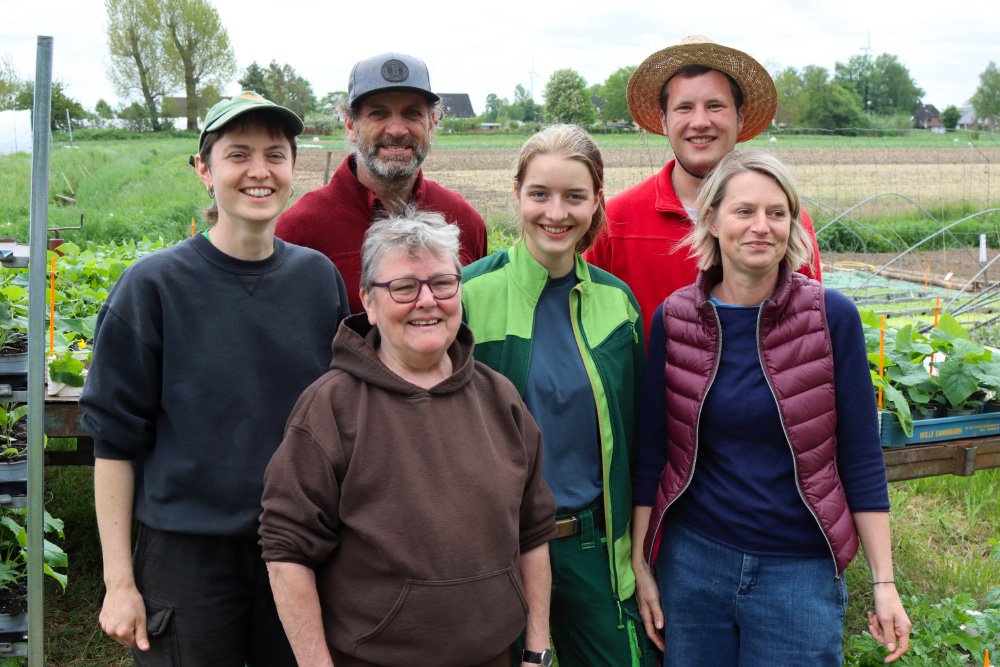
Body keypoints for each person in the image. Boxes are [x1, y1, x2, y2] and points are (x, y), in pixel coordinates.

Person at [80, 91, 351, 665]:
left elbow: (344, 418)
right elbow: (113, 444)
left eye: (275, 155)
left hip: (298, 545)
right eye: (238, 155)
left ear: (293, 169)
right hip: (188, 553)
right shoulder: (153, 287)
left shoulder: (317, 280)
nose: (259, 171)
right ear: (204, 170)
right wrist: (119, 582)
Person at [632, 151, 911, 665]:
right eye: (744, 211)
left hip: (798, 570)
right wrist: (641, 562)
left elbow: (861, 457)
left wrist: (884, 582)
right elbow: (653, 451)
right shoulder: (675, 319)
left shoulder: (831, 317)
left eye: (776, 213)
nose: (761, 226)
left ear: (792, 224)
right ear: (711, 219)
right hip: (694, 564)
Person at [259, 212, 556, 667]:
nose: (427, 301)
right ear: (368, 301)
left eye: (442, 283)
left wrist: (537, 649)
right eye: (403, 288)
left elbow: (533, 531)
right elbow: (286, 553)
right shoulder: (330, 408)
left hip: (495, 655)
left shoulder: (500, 397)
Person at [462, 125, 656, 666]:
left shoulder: (617, 303)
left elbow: (640, 439)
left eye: (574, 196)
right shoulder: (469, 294)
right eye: (540, 194)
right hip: (499, 548)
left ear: (596, 201)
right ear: (517, 194)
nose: (556, 212)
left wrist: (638, 555)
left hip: (593, 547)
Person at [585, 35, 823, 341]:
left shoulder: (785, 223)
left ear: (740, 117)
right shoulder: (615, 221)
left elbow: (810, 334)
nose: (700, 121)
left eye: (715, 106)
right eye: (684, 107)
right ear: (664, 120)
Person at [276, 52, 488, 313]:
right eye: (378, 114)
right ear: (351, 126)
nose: (397, 130)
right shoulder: (298, 231)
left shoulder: (465, 222)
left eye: (412, 114)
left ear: (431, 123)